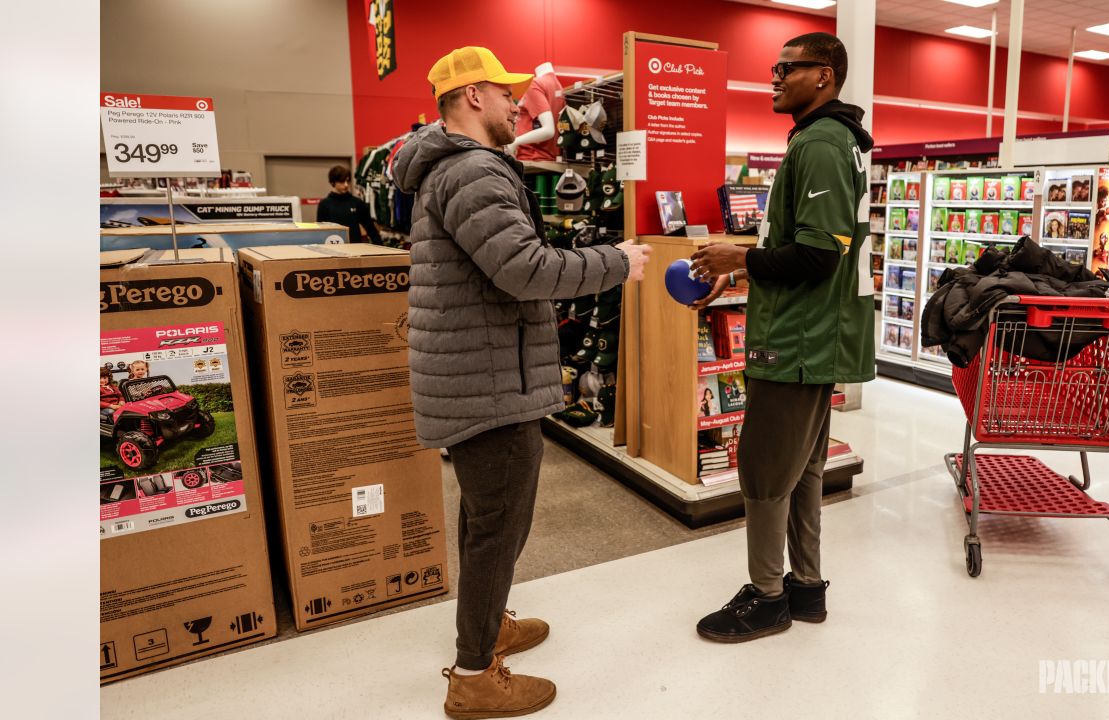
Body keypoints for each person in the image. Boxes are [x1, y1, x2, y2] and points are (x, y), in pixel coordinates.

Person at [390, 46, 651, 719]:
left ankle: (489, 625)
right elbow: (526, 270)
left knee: (486, 522)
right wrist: (616, 261)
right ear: (472, 96)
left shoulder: (453, 169)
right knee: (498, 528)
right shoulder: (475, 171)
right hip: (488, 385)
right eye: (507, 95)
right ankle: (473, 675)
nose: (520, 105)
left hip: (478, 375)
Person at [688, 31, 875, 643]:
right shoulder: (833, 140)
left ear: (823, 75)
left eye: (785, 68)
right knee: (805, 468)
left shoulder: (821, 143)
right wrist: (741, 264)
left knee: (765, 471)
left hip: (796, 341)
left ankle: (768, 598)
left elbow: (819, 254)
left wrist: (736, 259)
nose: (773, 77)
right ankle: (805, 587)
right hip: (817, 337)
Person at [317, 165, 382, 244]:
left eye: (348, 181)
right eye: (342, 182)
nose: (346, 185)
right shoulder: (324, 204)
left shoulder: (357, 203)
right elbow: (320, 232)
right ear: (332, 182)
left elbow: (370, 228)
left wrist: (382, 248)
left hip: (355, 248)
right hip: (334, 249)